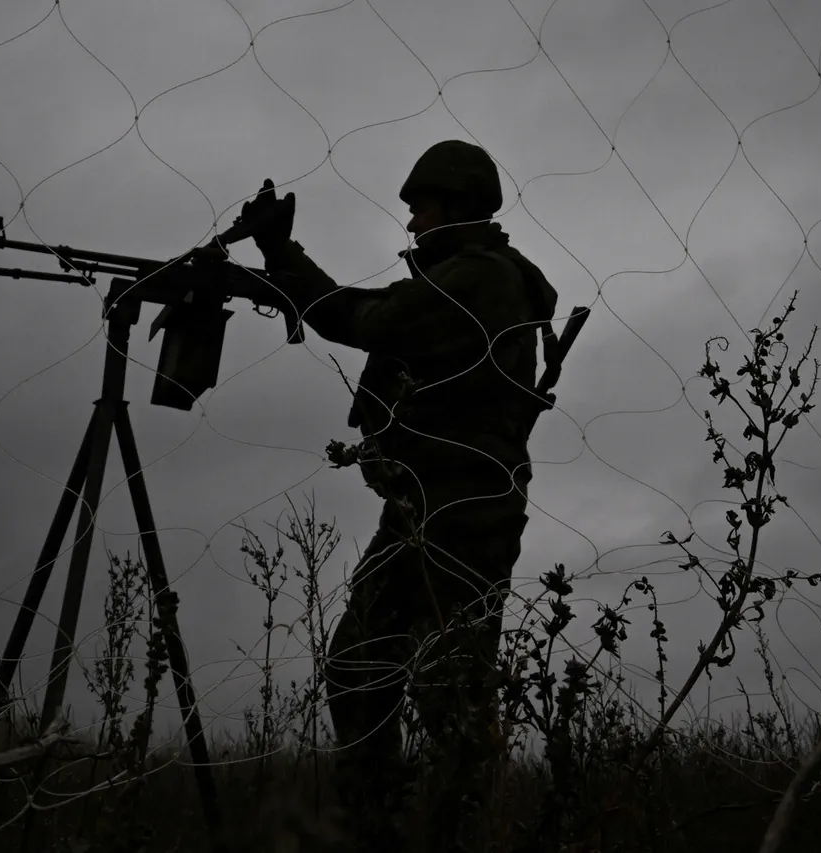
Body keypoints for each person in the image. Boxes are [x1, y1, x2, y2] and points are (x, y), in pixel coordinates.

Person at [241, 139, 560, 852]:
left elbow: (369, 319)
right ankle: (376, 825)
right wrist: (279, 270)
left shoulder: (482, 280)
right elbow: (373, 315)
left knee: (452, 703)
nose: (411, 224)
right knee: (359, 664)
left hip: (463, 518)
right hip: (421, 509)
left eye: (420, 208)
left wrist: (281, 262)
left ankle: (454, 834)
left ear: (457, 205)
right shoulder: (462, 278)